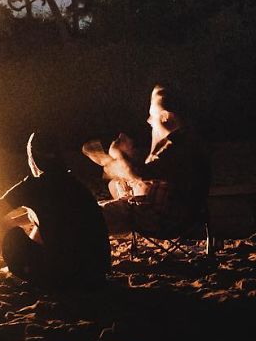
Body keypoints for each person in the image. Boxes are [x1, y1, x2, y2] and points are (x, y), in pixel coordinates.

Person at [0, 130, 111, 287]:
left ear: (33, 159)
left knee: (4, 230)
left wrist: (5, 230)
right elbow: (54, 216)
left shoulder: (33, 186)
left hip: (63, 278)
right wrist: (16, 222)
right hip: (94, 275)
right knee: (42, 226)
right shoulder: (74, 185)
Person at [85, 83, 210, 236]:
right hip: (173, 215)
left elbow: (138, 173)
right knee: (114, 185)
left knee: (89, 215)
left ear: (165, 116)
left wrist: (117, 154)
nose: (149, 120)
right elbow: (153, 171)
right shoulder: (185, 141)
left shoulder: (177, 147)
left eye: (152, 114)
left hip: (161, 219)